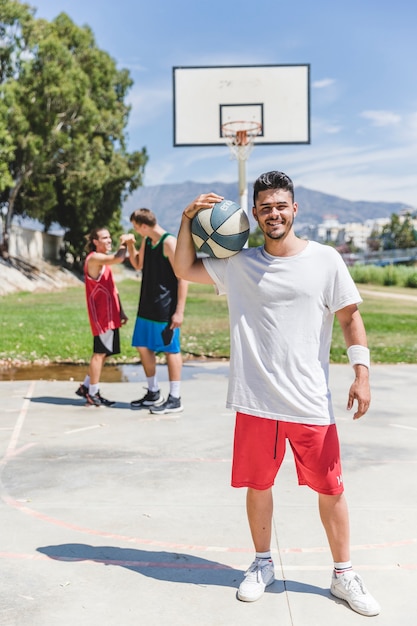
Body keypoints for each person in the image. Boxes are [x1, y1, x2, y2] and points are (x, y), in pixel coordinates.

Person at [174, 171, 380, 617]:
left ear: (294, 209)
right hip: (255, 401)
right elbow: (182, 267)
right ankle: (262, 563)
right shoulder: (239, 263)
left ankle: (343, 573)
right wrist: (188, 217)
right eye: (265, 207)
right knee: (258, 485)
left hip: (309, 402)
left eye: (280, 206)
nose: (274, 214)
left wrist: (361, 373)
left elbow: (350, 318)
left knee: (331, 490)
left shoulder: (326, 260)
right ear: (255, 215)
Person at [124, 208, 188, 414]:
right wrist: (131, 245)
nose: (135, 230)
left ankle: (175, 398)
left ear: (144, 226)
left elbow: (183, 277)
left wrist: (179, 311)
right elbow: (137, 264)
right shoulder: (147, 241)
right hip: (146, 306)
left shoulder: (169, 243)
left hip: (165, 308)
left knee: (171, 350)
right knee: (143, 347)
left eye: (136, 227)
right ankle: (153, 392)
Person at [75, 228, 128, 407]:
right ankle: (93, 393)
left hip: (111, 314)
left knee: (106, 352)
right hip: (101, 317)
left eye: (109, 237)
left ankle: (87, 387)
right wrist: (125, 243)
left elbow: (113, 288)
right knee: (99, 354)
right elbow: (119, 258)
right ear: (95, 242)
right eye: (104, 238)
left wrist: (120, 310)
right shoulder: (95, 258)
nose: (108, 240)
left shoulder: (104, 262)